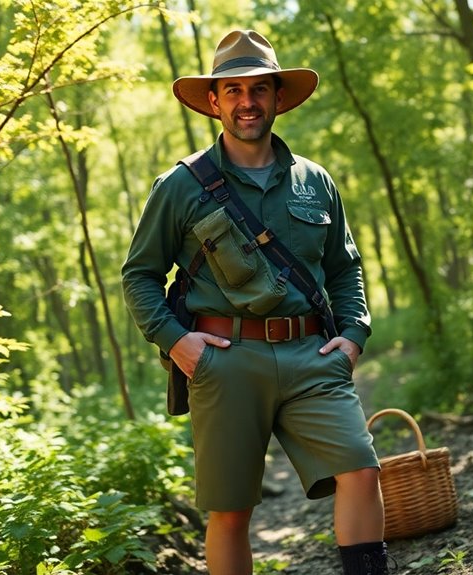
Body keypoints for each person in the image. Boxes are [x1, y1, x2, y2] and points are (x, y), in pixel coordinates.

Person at [121, 29, 391, 575]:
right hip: (225, 359)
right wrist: (180, 345)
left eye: (259, 89)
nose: (248, 102)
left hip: (313, 357)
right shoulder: (179, 185)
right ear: (215, 102)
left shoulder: (315, 182)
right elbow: (140, 275)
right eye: (234, 90)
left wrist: (354, 336)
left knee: (361, 469)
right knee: (230, 512)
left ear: (277, 97)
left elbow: (345, 268)